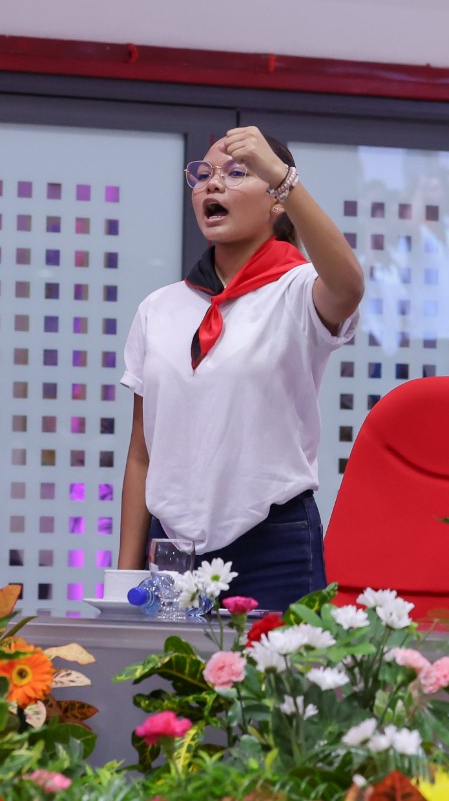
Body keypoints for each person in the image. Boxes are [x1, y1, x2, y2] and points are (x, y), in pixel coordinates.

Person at [118, 127, 364, 611]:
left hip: (274, 545)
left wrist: (283, 177)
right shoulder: (158, 307)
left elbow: (348, 286)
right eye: (204, 174)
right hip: (170, 551)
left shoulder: (299, 291)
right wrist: (124, 576)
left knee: (279, 665)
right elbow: (142, 453)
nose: (213, 184)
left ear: (277, 202)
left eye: (236, 173)